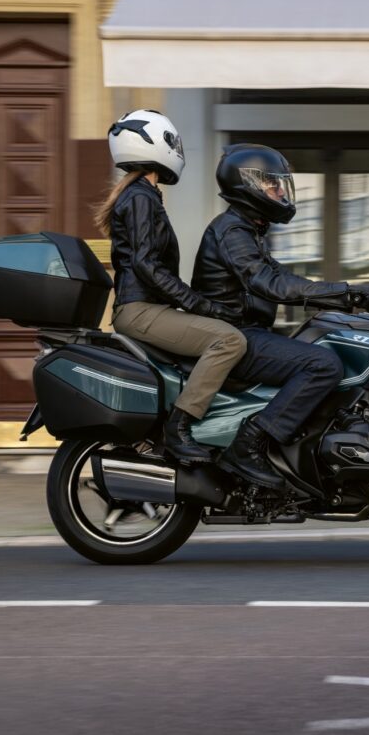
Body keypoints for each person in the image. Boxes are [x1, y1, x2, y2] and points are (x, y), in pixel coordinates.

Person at [191, 144, 369, 486]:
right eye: (273, 185)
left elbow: (289, 281)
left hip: (249, 333)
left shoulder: (247, 230)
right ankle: (250, 443)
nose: (281, 191)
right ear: (248, 185)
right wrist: (350, 292)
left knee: (329, 343)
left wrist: (362, 296)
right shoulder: (232, 231)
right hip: (237, 336)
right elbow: (271, 284)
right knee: (323, 364)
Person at [96, 109, 252, 476]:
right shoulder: (140, 197)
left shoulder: (143, 194)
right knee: (228, 342)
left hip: (144, 307)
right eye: (173, 142)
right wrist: (199, 304)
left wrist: (198, 304)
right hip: (139, 310)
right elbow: (147, 266)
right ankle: (179, 427)